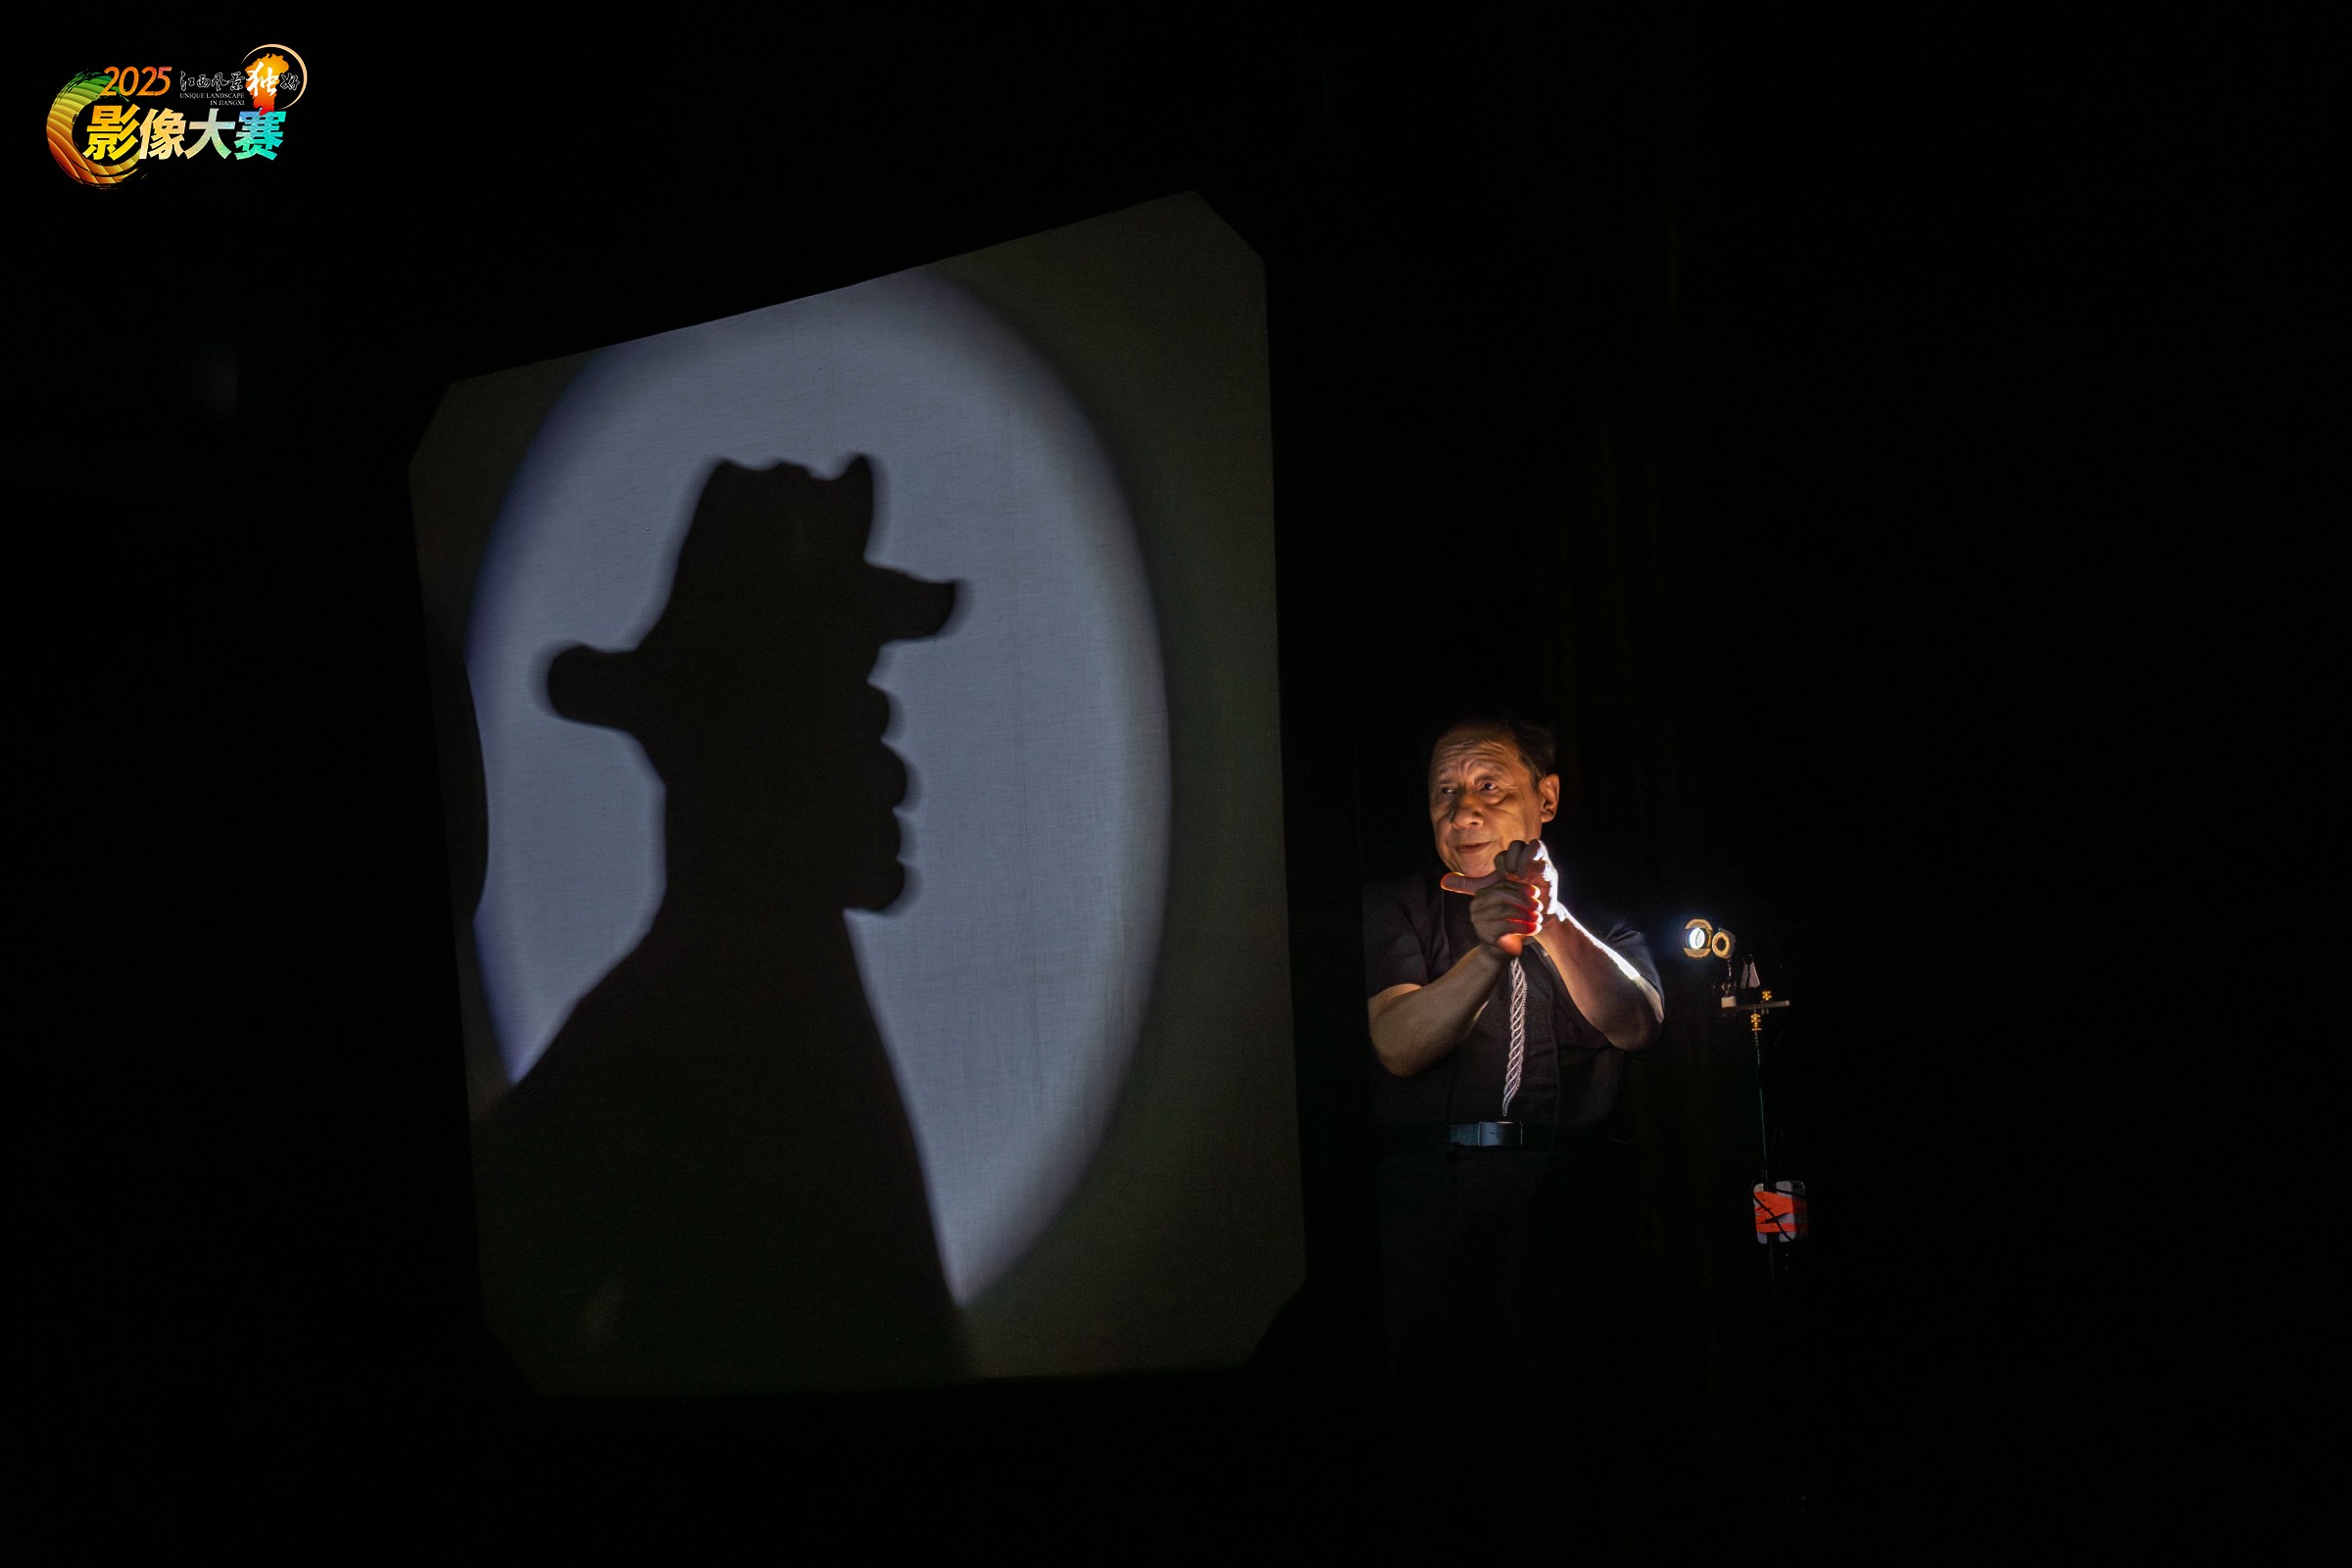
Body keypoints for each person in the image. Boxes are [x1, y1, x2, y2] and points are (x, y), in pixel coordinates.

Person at [1361, 715, 1663, 1553]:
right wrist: (1491, 951)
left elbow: (1637, 1023)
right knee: (1442, 1445)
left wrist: (1550, 920)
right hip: (1434, 1206)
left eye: (1489, 785)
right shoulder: (1398, 907)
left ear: (1546, 797)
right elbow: (1398, 1043)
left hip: (1566, 1209)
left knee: (1571, 1440)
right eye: (1444, 792)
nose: (1463, 810)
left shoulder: (1603, 918)